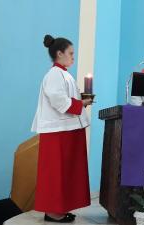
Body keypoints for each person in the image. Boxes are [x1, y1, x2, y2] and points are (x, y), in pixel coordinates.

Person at [31, 34, 93, 223]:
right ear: (59, 53)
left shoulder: (63, 73)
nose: (73, 57)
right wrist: (80, 103)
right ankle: (52, 212)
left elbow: (65, 98)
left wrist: (80, 101)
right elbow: (58, 100)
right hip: (58, 133)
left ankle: (60, 208)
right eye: (71, 53)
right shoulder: (54, 75)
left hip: (65, 130)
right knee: (56, 173)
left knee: (65, 172)